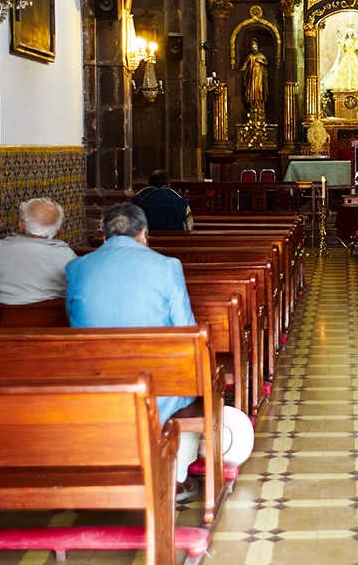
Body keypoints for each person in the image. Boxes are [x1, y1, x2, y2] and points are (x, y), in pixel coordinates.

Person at [66, 204, 253, 500]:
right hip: (156, 383)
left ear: (103, 235)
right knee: (186, 387)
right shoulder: (167, 267)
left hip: (98, 380)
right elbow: (185, 331)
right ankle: (175, 476)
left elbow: (76, 325)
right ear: (143, 234)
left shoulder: (76, 268)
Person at [0, 197, 75, 305]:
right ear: (57, 230)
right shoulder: (67, 258)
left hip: (0, 320)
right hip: (50, 320)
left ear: (20, 225)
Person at [321, 25, 358, 92]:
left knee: (355, 72)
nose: (350, 34)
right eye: (349, 33)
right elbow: (341, 46)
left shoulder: (355, 41)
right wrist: (338, 36)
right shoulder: (345, 41)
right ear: (347, 34)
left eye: (351, 33)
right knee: (343, 72)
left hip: (353, 56)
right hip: (346, 57)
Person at [240, 38, 268, 112]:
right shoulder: (250, 56)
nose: (254, 49)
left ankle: (260, 106)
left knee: (260, 91)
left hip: (260, 77)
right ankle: (253, 106)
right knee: (253, 91)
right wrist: (242, 69)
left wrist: (260, 61)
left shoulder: (261, 56)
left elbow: (266, 63)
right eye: (252, 47)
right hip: (252, 77)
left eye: (255, 47)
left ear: (258, 47)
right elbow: (245, 65)